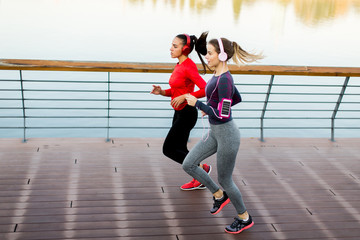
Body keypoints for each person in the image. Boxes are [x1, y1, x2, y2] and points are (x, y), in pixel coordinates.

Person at [183, 37, 263, 234]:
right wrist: (210, 107)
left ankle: (244, 217)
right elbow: (236, 98)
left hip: (227, 134)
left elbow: (223, 114)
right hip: (215, 133)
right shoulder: (218, 75)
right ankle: (219, 195)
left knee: (226, 179)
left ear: (222, 55)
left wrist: (200, 105)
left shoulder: (225, 79)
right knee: (188, 164)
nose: (206, 56)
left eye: (210, 53)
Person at [150, 32, 212, 190]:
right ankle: (200, 172)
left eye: (174, 46)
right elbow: (177, 90)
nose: (170, 48)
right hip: (178, 112)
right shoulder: (179, 64)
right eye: (171, 45)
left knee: (169, 149)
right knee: (181, 149)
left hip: (187, 113)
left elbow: (206, 89)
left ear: (185, 49)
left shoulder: (189, 66)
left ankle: (201, 173)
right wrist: (163, 92)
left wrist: (186, 96)